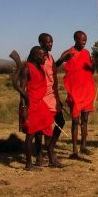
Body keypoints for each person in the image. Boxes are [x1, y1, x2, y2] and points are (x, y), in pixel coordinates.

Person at [58, 31, 96, 159]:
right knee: (75, 121)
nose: (84, 42)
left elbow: (91, 71)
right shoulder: (69, 52)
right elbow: (56, 65)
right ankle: (74, 150)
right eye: (82, 40)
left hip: (87, 91)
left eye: (85, 40)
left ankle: (83, 147)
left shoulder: (86, 53)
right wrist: (64, 59)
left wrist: (94, 63)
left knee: (85, 120)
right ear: (75, 39)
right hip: (74, 92)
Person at [16, 46, 54, 171]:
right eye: (42, 56)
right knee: (30, 134)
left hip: (40, 103)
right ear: (35, 55)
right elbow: (22, 91)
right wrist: (24, 109)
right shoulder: (27, 68)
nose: (45, 57)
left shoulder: (40, 67)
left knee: (48, 127)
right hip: (30, 104)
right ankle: (28, 164)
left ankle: (52, 158)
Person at [38, 33, 65, 167]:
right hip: (43, 96)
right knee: (45, 127)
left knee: (61, 121)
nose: (50, 44)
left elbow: (54, 70)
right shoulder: (39, 57)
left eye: (52, 42)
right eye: (48, 42)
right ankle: (49, 156)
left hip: (53, 95)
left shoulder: (50, 57)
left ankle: (50, 148)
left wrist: (62, 60)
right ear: (41, 43)